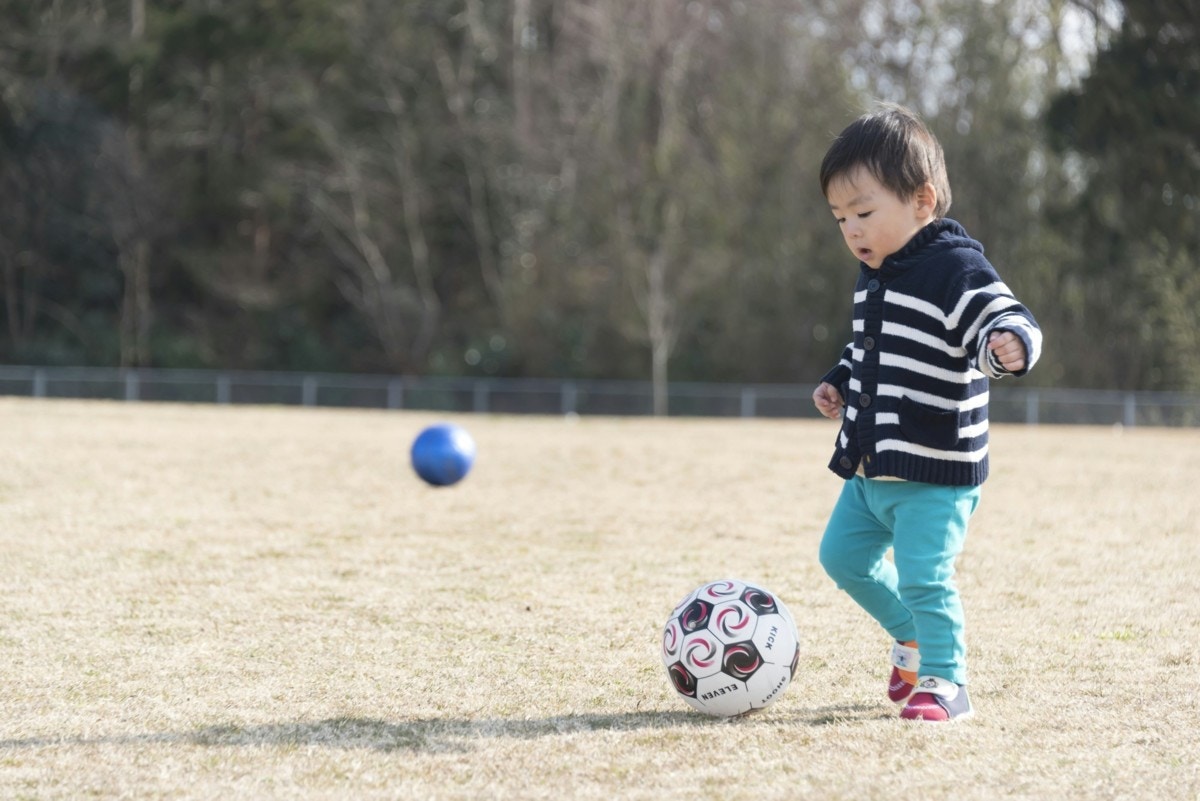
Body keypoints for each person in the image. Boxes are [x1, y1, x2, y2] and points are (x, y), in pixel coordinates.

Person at [811, 104, 1042, 722]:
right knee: (841, 559)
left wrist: (1013, 343)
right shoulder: (874, 274)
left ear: (921, 199)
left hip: (934, 474)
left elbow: (1004, 313)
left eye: (863, 212)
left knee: (925, 576)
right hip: (873, 465)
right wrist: (840, 380)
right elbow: (869, 348)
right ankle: (911, 635)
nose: (852, 230)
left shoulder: (953, 267)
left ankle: (947, 681)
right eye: (840, 218)